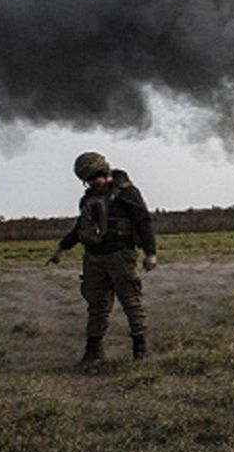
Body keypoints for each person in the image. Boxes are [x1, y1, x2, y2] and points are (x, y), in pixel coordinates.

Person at [47, 152, 157, 363]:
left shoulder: (127, 193)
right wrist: (62, 248)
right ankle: (93, 351)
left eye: (94, 178)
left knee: (131, 302)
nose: (91, 183)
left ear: (104, 172)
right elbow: (81, 227)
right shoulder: (88, 199)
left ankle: (139, 349)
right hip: (94, 259)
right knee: (97, 306)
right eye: (87, 181)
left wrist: (150, 253)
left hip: (121, 256)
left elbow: (144, 222)